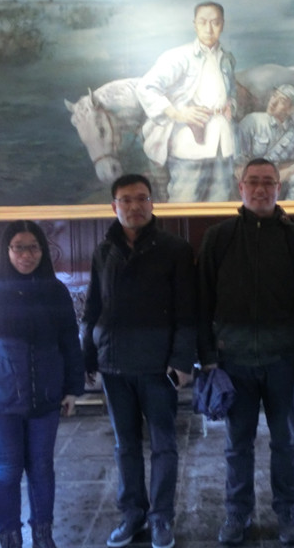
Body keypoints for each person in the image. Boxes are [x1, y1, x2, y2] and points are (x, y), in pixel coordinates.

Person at [197, 157, 294, 546]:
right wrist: (208, 357)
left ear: (279, 188)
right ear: (241, 187)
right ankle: (237, 512)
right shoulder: (218, 237)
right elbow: (202, 301)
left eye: (268, 182)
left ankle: (287, 511)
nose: (261, 188)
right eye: (253, 181)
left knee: (286, 441)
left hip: (283, 359)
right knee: (237, 444)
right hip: (233, 360)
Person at [81, 173, 197, 548]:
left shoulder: (175, 249)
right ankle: (132, 514)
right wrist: (88, 356)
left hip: (158, 366)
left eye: (141, 198)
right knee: (125, 446)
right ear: (114, 206)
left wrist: (182, 360)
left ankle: (161, 517)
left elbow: (187, 310)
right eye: (126, 200)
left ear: (152, 203)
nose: (134, 206)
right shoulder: (104, 251)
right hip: (114, 364)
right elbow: (93, 307)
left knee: (164, 445)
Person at [0, 220, 85, 548]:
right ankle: (9, 537)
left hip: (46, 397)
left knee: (41, 468)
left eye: (34, 248)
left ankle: (43, 535)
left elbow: (70, 342)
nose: (27, 255)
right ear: (7, 250)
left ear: (43, 251)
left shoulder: (55, 291)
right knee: (7, 471)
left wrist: (72, 389)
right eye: (19, 248)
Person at [136, 1, 237, 203]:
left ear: (223, 25)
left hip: (223, 143)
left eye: (215, 22)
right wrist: (177, 113)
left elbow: (231, 92)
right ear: (195, 25)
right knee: (184, 200)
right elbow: (145, 87)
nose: (209, 29)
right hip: (189, 144)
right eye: (203, 22)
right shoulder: (178, 56)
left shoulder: (227, 58)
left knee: (221, 201)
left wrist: (230, 106)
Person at [236, 84, 294, 200]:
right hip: (252, 180)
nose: (273, 102)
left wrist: (288, 172)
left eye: (282, 101)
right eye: (274, 96)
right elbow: (238, 158)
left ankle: (291, 208)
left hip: (280, 183)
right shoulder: (252, 121)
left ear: (291, 109)